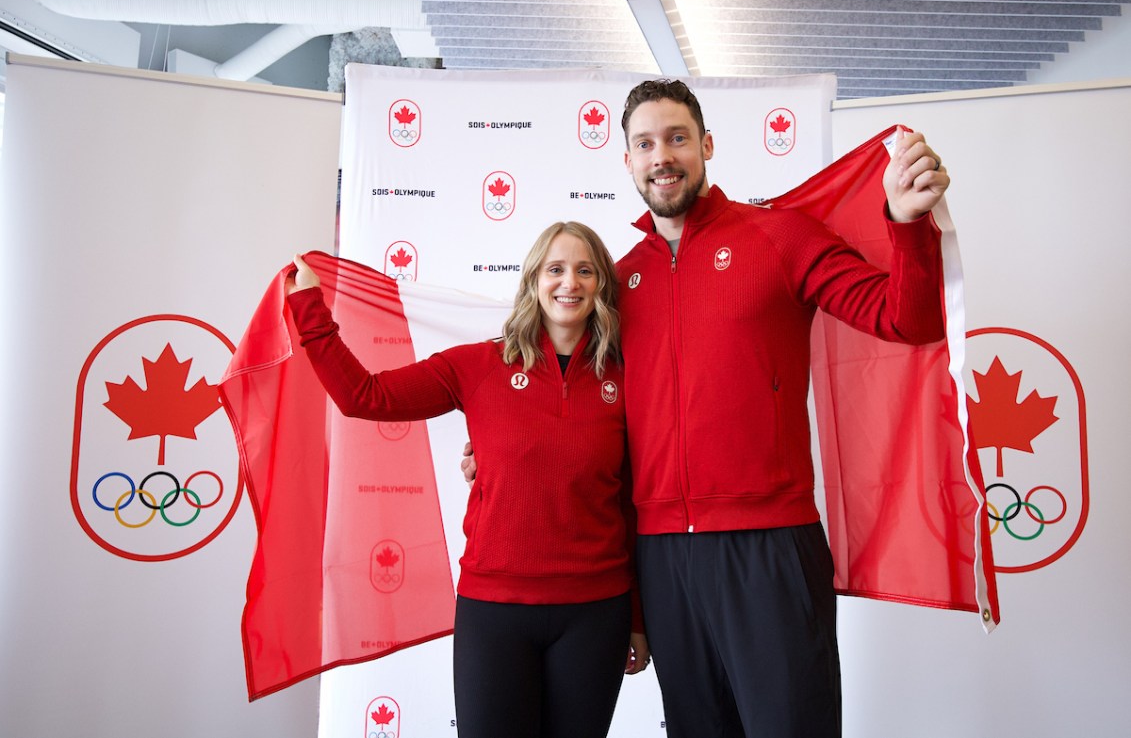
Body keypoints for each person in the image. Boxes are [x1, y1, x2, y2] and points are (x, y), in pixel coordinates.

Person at [465, 79, 951, 738]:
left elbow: (906, 321)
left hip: (768, 543)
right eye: (644, 143)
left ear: (706, 146)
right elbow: (584, 407)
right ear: (627, 161)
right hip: (662, 557)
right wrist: (503, 452)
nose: (661, 155)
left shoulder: (780, 236)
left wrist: (907, 223)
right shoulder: (618, 279)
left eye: (675, 138)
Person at [286, 221, 649, 738]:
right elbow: (364, 396)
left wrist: (637, 614)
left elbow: (633, 504)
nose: (570, 282)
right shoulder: (479, 365)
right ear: (533, 281)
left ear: (601, 286)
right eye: (556, 269)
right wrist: (310, 311)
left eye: (585, 270)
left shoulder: (628, 375)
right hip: (494, 614)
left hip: (596, 614)